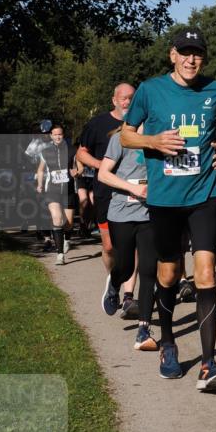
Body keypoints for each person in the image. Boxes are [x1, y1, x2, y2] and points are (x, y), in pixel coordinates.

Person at [121, 27, 216, 390]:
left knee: (206, 273)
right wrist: (152, 140)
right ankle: (168, 343)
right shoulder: (150, 90)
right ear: (172, 55)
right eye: (184, 52)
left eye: (197, 53)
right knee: (168, 275)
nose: (191, 59)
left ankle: (208, 364)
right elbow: (125, 134)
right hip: (165, 198)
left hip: (206, 192)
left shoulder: (215, 90)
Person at [78, 83, 139, 317]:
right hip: (106, 192)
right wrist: (100, 166)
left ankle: (129, 296)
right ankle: (114, 279)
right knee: (110, 246)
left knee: (131, 243)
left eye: (131, 98)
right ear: (114, 100)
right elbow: (82, 152)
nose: (127, 102)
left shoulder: (142, 125)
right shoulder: (98, 124)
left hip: (134, 193)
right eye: (123, 98)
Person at [97, 127, 160, 351]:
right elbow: (103, 174)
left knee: (148, 269)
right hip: (122, 213)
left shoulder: (160, 137)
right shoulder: (120, 139)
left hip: (150, 214)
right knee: (125, 267)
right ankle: (115, 282)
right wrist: (133, 187)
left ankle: (144, 329)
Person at [36, 125, 77, 265]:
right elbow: (41, 170)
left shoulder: (72, 149)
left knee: (69, 223)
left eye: (60, 134)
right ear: (51, 136)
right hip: (52, 189)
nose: (58, 136)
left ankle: (67, 239)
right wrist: (40, 184)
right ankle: (60, 255)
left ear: (63, 135)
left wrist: (77, 171)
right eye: (55, 134)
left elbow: (80, 166)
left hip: (68, 190)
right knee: (57, 218)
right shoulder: (46, 151)